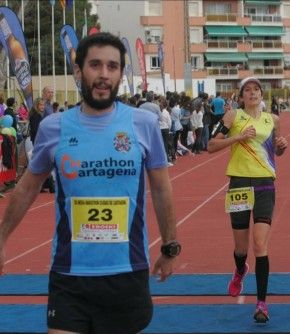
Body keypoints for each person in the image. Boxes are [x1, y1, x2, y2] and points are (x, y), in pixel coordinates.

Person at [0, 32, 180, 333]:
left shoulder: (143, 124)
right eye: (95, 65)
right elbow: (28, 187)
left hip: (127, 272)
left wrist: (170, 247)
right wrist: (2, 237)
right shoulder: (53, 127)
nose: (103, 75)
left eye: (112, 66)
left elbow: (161, 188)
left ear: (121, 74)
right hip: (69, 275)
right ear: (79, 70)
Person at [208, 76, 288, 323]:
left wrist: (282, 146)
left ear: (262, 94)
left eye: (257, 89)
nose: (253, 93)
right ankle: (240, 269)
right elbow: (211, 145)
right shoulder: (233, 117)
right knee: (241, 248)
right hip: (239, 185)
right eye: (248, 90)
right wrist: (238, 137)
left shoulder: (272, 120)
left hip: (265, 184)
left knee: (259, 244)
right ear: (241, 96)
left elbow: (275, 151)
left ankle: (262, 303)